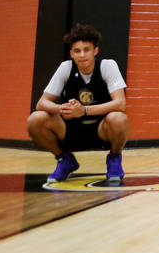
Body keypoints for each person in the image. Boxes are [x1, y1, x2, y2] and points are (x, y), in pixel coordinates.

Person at [26, 23, 129, 184]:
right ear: (71, 54)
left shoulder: (108, 66)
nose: (82, 55)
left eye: (86, 49)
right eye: (77, 51)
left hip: (101, 129)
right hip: (70, 129)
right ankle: (64, 159)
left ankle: (114, 157)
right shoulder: (66, 68)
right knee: (35, 119)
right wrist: (62, 108)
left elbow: (120, 104)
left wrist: (85, 110)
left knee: (119, 118)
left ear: (95, 51)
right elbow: (42, 103)